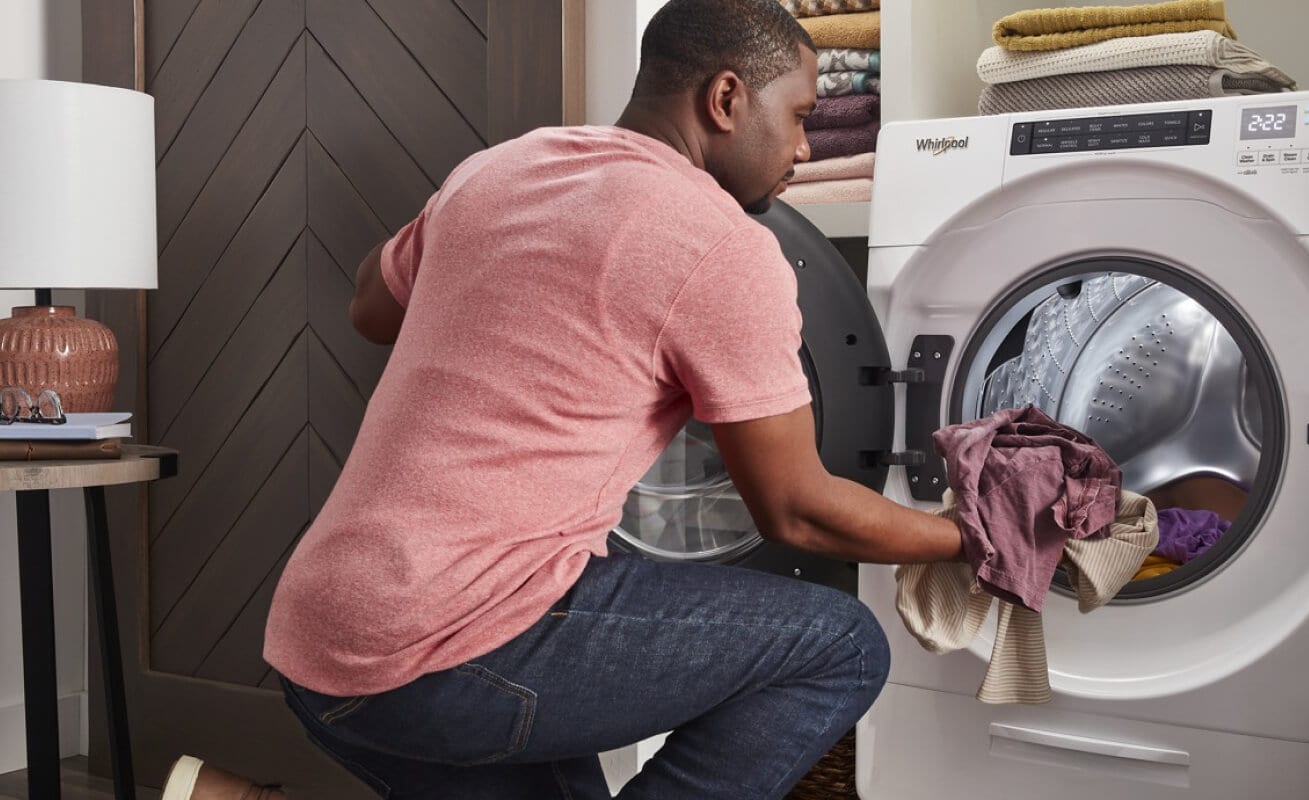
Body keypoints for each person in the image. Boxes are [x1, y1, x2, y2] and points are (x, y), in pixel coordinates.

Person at [238, 2, 964, 798]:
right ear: (726, 99)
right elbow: (797, 513)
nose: (802, 147)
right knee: (842, 645)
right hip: (448, 649)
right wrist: (969, 538)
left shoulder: (504, 168)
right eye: (797, 115)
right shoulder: (722, 244)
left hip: (319, 636)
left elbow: (369, 308)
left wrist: (469, 233)